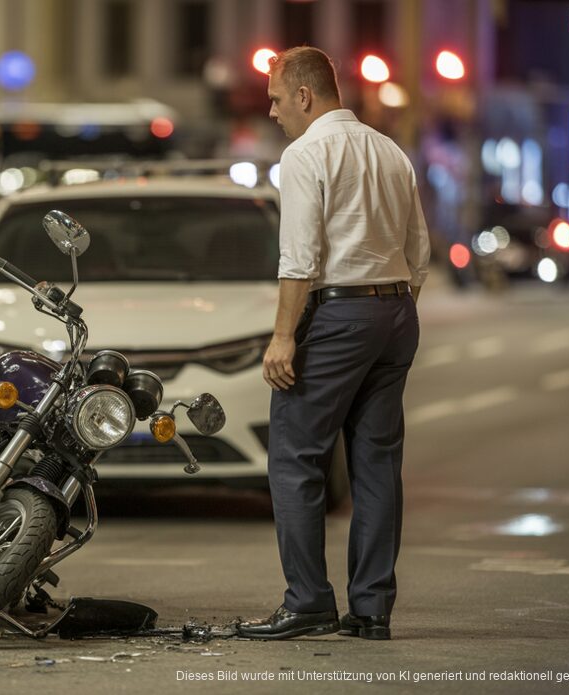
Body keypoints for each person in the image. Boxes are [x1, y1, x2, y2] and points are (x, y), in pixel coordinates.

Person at [237, 46, 430, 641]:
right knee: (376, 464)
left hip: (340, 312)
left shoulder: (306, 153)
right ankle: (371, 608)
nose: (271, 112)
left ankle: (308, 600)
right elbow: (418, 248)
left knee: (295, 457)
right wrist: (390, 309)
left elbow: (299, 258)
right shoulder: (390, 151)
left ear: (304, 95)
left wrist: (283, 337)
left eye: (275, 99)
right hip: (395, 311)